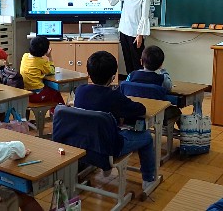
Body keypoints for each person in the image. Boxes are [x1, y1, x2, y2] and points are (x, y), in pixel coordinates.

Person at [74, 51, 155, 190]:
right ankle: (148, 179)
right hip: (108, 147)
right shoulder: (113, 96)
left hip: (82, 143)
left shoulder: (80, 91)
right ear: (113, 77)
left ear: (88, 73)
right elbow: (140, 110)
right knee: (147, 137)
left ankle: (103, 166)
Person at [91, 0, 150, 74]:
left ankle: (139, 81)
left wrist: (140, 35)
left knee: (137, 61)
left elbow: (144, 18)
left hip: (135, 35)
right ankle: (130, 81)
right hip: (123, 32)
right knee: (127, 59)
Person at [126, 45, 181, 126]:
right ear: (160, 65)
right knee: (177, 110)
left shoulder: (132, 75)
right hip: (157, 113)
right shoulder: (161, 79)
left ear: (141, 61)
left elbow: (127, 85)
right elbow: (169, 87)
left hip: (133, 110)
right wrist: (163, 70)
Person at [20, 36, 65, 105]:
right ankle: (60, 112)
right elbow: (52, 71)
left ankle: (57, 111)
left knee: (48, 85)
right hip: (36, 95)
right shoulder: (41, 62)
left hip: (25, 94)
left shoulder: (25, 56)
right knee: (55, 90)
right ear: (45, 51)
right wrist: (49, 56)